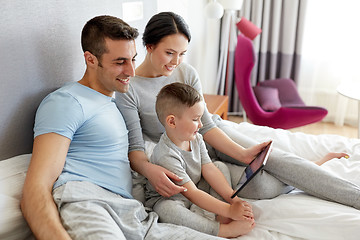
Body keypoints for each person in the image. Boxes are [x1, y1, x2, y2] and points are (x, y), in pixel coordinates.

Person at [115, 11, 360, 210]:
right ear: (148, 46)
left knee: (274, 158)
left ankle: (353, 196)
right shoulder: (130, 90)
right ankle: (310, 169)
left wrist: (243, 154)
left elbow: (208, 125)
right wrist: (152, 170)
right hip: (184, 155)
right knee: (261, 188)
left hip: (209, 137)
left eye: (182, 54)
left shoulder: (186, 72)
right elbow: (135, 150)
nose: (176, 61)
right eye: (169, 53)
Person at [20, 15, 224, 240]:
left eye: (133, 59)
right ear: (90, 59)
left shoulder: (117, 100)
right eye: (120, 62)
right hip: (90, 201)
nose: (131, 72)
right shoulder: (66, 101)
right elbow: (35, 190)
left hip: (133, 211)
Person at [146, 82, 255, 238]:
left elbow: (209, 168)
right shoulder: (166, 155)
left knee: (219, 167)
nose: (201, 124)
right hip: (174, 198)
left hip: (195, 185)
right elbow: (192, 194)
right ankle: (221, 230)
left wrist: (233, 199)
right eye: (196, 119)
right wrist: (230, 210)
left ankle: (221, 216)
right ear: (172, 122)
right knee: (166, 210)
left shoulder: (196, 138)